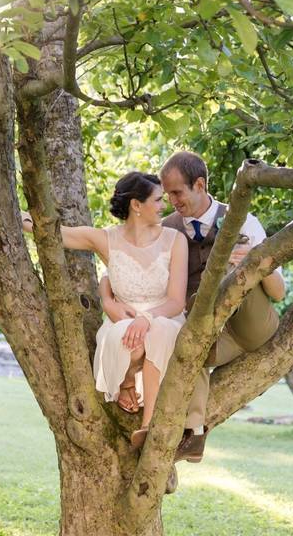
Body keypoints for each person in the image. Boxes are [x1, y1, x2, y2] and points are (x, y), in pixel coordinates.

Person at [100, 151, 285, 463]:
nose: (170, 200)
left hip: (252, 326)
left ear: (199, 185)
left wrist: (257, 262)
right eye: (165, 193)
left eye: (176, 192)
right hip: (211, 337)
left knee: (230, 280)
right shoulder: (165, 230)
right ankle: (195, 434)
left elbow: (279, 293)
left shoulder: (243, 221)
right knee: (186, 341)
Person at [21, 171, 188, 449]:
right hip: (121, 320)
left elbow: (176, 301)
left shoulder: (174, 240)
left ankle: (147, 427)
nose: (164, 205)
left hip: (163, 317)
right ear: (137, 205)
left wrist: (146, 319)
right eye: (158, 200)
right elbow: (47, 230)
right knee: (130, 343)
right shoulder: (105, 239)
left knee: (158, 333)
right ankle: (125, 384)